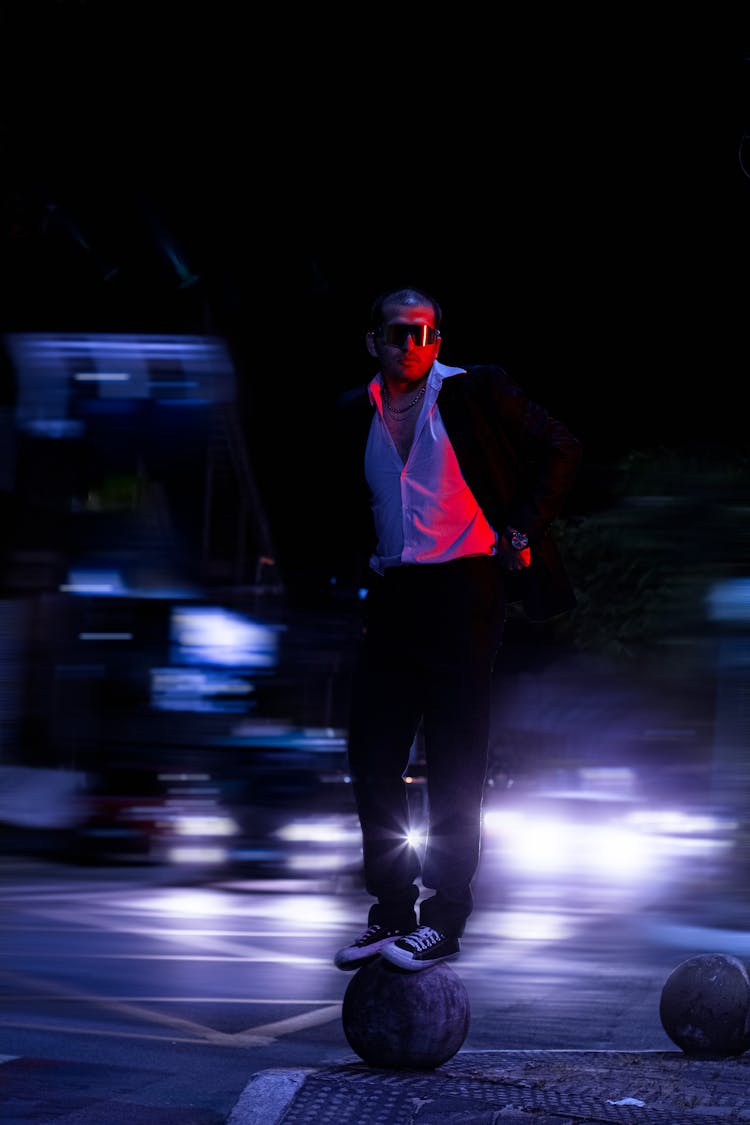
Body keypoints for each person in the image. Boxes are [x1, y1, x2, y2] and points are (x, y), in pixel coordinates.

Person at [330, 285, 582, 972]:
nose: (409, 345)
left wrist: (523, 525)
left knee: (454, 760)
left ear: (437, 341)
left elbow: (561, 445)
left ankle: (445, 916)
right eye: (395, 333)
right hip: (392, 595)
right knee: (370, 756)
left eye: (422, 333)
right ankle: (391, 911)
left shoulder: (476, 392)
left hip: (464, 591)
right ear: (373, 342)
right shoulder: (357, 412)